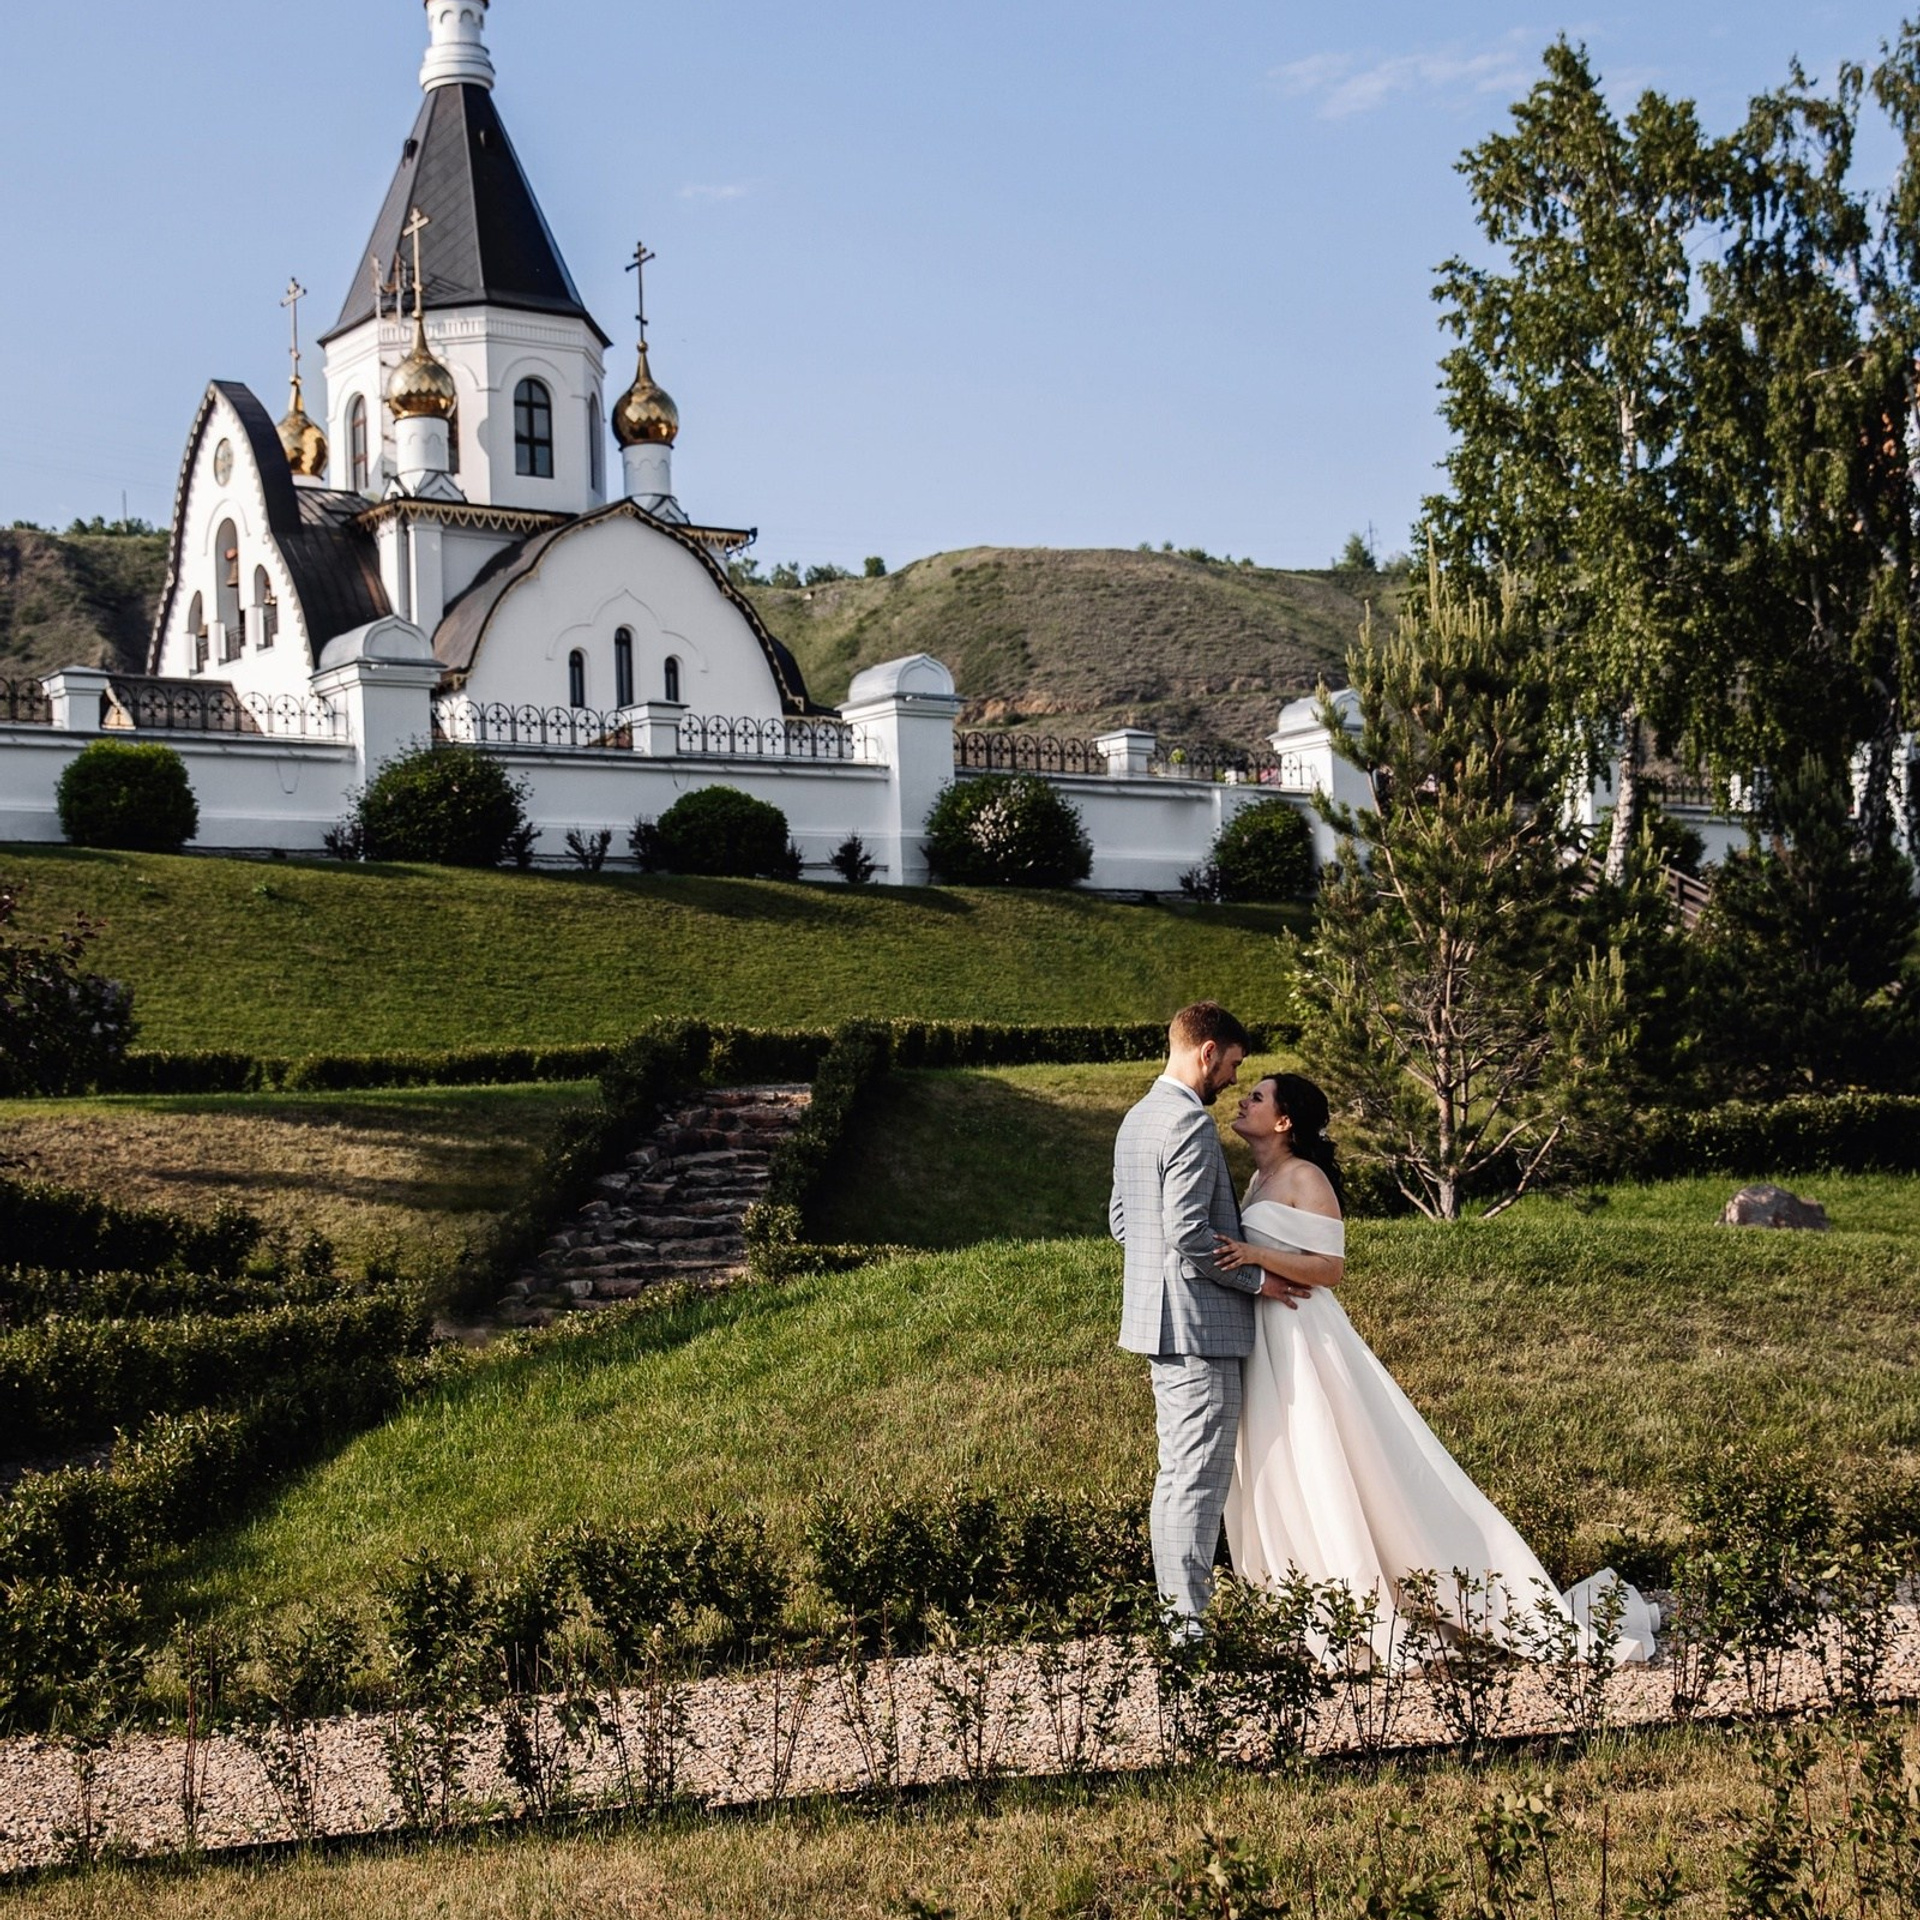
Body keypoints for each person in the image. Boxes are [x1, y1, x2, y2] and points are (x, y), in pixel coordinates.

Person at [1213, 1071, 1658, 1663]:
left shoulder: (1305, 1176)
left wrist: (1254, 1254)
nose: (1243, 1101)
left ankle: (1374, 1600)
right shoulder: (1259, 1178)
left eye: (1257, 1097)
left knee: (1325, 1456)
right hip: (1267, 1335)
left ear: (1285, 1120)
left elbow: (1329, 1267)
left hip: (1302, 1336)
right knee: (1286, 1462)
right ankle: (1305, 1600)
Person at [1109, 1001, 1310, 1621]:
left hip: (1158, 1323)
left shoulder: (1138, 1119)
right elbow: (1190, 1233)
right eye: (1233, 1064)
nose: (1230, 1079)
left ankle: (1178, 1618)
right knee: (1196, 1482)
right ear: (1207, 1052)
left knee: (1178, 1477)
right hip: (1200, 1329)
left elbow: (1123, 1223)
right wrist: (1259, 1280)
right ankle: (1187, 1629)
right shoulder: (1189, 1125)